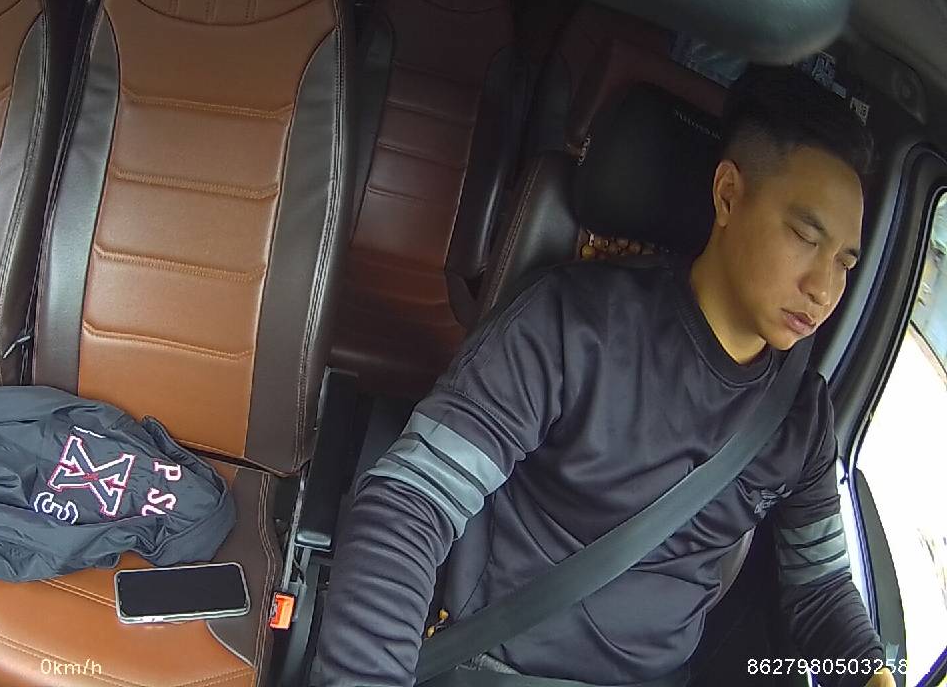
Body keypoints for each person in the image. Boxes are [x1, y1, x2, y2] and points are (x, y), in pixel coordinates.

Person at [311, 66, 897, 687]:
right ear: (728, 195)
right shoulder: (576, 324)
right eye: (804, 237)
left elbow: (821, 588)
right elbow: (412, 500)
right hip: (495, 668)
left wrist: (873, 675)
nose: (824, 288)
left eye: (844, 262)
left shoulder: (801, 418)